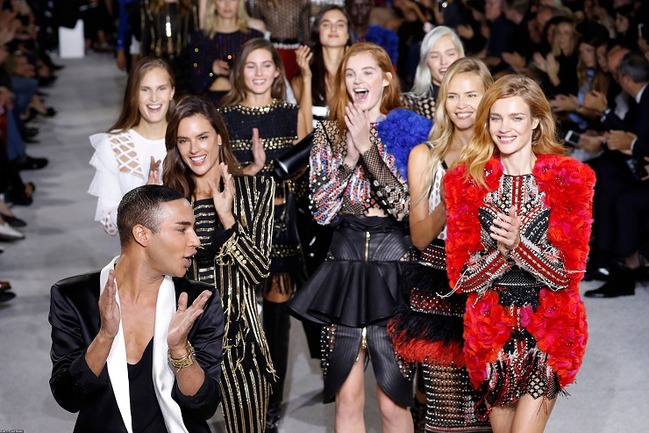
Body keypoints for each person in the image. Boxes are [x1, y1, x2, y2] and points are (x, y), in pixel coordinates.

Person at [289, 42, 431, 432]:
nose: (357, 81)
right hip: (344, 268)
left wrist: (368, 148)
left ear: (386, 78)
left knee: (393, 402)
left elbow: (404, 207)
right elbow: (322, 212)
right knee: (347, 400)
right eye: (350, 74)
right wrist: (350, 158)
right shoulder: (328, 133)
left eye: (367, 72)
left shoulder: (410, 132)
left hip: (394, 268)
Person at [443, 74, 594, 433]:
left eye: (516, 117)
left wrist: (519, 246)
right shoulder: (465, 181)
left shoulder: (570, 178)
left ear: (536, 121)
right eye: (496, 118)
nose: (504, 128)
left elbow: (567, 275)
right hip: (490, 334)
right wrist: (501, 253)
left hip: (550, 330)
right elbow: (461, 279)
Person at [49, 184, 225, 433]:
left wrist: (179, 351)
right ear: (142, 234)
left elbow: (204, 406)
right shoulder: (73, 297)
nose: (196, 240)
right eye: (182, 229)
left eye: (193, 229)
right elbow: (68, 397)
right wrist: (105, 337)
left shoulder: (197, 302)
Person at [388, 57, 493, 433]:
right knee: (445, 414)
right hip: (438, 285)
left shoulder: (500, 152)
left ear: (488, 98)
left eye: (472, 95)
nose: (462, 104)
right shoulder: (424, 155)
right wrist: (452, 196)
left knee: (491, 410)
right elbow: (419, 236)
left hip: (490, 285)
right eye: (453, 95)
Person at [162, 95, 276, 433]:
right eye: (184, 140)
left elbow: (259, 271)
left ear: (219, 138)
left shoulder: (255, 190)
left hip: (241, 344)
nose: (194, 149)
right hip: (185, 341)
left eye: (202, 137)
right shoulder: (172, 199)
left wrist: (228, 220)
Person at [218, 37, 309, 432]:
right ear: (240, 72)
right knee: (236, 318)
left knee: (276, 320)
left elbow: (306, 167)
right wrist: (249, 172)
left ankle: (270, 405)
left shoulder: (291, 113)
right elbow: (217, 174)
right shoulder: (224, 116)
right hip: (237, 227)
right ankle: (239, 397)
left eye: (265, 65)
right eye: (250, 66)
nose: (258, 73)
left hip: (281, 229)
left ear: (276, 72)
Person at [88, 56, 175, 235]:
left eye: (161, 88)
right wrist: (141, 201)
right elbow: (108, 224)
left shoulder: (185, 139)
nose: (154, 98)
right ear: (134, 93)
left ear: (172, 92)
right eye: (145, 89)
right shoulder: (114, 145)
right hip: (138, 250)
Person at [188, 0, 265, 104]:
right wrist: (211, 70)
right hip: (210, 105)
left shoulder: (253, 37)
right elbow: (194, 83)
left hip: (245, 101)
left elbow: (262, 75)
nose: (227, 4)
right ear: (213, 3)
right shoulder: (200, 38)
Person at [292, 5, 353, 131]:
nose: (333, 29)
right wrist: (307, 78)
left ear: (348, 34)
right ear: (318, 32)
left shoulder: (358, 77)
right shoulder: (300, 80)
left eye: (340, 24)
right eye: (326, 24)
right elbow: (305, 132)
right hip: (313, 143)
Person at [402, 26, 465, 119]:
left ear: (461, 56)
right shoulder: (411, 105)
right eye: (435, 56)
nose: (443, 61)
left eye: (450, 54)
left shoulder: (479, 98)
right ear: (426, 62)